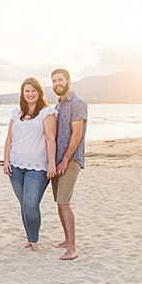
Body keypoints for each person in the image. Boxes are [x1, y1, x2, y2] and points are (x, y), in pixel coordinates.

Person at [2, 78, 57, 252]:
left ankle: (35, 240)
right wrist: (5, 161)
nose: (30, 94)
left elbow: (50, 139)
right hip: (15, 166)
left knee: (31, 205)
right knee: (24, 204)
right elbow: (9, 139)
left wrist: (51, 163)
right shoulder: (16, 113)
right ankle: (30, 237)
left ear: (39, 93)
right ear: (22, 93)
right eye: (27, 91)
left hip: (38, 167)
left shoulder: (47, 112)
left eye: (33, 91)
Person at [50, 68, 87, 260]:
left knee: (64, 202)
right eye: (55, 80)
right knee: (59, 202)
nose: (58, 83)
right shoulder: (57, 106)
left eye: (60, 80)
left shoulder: (78, 103)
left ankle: (72, 247)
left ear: (68, 81)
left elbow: (77, 134)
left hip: (70, 161)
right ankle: (66, 240)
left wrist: (65, 160)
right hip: (56, 162)